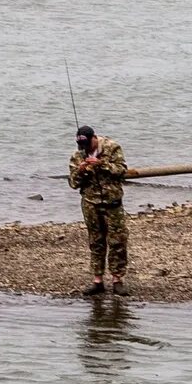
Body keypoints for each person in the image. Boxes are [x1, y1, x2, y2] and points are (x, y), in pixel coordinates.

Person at [67, 124, 130, 295]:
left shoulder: (112, 147)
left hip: (112, 202)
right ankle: (98, 280)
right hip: (90, 202)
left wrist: (101, 164)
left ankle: (117, 279)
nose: (86, 149)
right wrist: (81, 171)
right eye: (82, 147)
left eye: (88, 145)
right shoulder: (78, 155)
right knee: (96, 241)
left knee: (118, 241)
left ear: (94, 138)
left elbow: (121, 171)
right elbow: (73, 183)